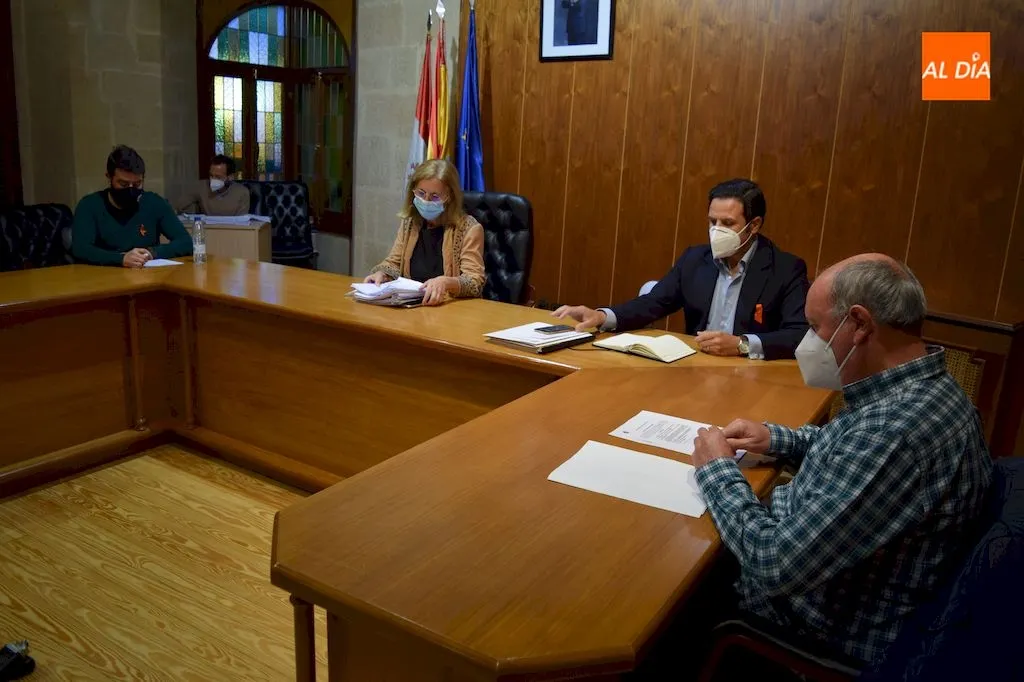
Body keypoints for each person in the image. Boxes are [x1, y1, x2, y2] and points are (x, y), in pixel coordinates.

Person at [691, 254, 993, 664]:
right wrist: (777, 438)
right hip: (832, 578)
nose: (807, 342)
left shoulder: (895, 432)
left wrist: (717, 471)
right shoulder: (920, 390)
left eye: (815, 327)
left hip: (806, 629)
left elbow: (773, 564)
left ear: (860, 324)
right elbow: (849, 448)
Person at [552, 178, 809, 360]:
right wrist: (601, 316)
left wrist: (742, 345)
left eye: (728, 223)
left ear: (754, 225)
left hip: (751, 373)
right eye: (712, 221)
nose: (716, 230)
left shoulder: (786, 269)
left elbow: (798, 334)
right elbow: (654, 302)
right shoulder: (695, 259)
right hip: (695, 366)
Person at [365, 159, 485, 306]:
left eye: (435, 196)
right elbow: (394, 262)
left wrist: (446, 282)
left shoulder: (469, 229)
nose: (426, 200)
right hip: (412, 306)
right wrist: (382, 274)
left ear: (449, 197)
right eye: (421, 193)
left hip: (450, 308)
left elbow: (474, 282)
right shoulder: (410, 223)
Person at [72, 145, 192, 268]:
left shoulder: (154, 203)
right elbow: (81, 249)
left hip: (148, 275)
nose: (130, 189)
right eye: (123, 184)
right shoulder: (90, 205)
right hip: (104, 275)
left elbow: (186, 242)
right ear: (109, 178)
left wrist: (152, 253)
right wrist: (120, 259)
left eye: (137, 184)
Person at [174, 154, 251, 216]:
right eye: (211, 175)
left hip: (231, 229)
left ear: (230, 177)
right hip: (206, 228)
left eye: (218, 177)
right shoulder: (201, 186)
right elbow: (179, 207)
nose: (212, 180)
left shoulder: (242, 192)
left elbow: (242, 222)